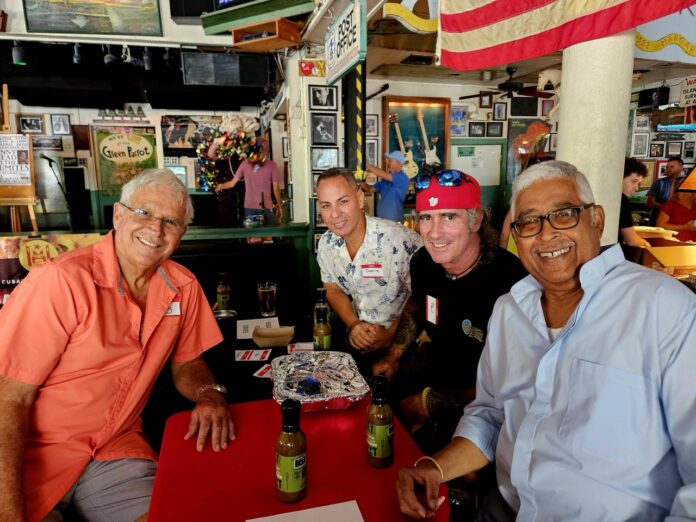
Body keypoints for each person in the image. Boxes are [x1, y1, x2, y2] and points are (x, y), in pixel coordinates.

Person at [395, 160, 696, 521]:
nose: (546, 234)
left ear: (597, 219)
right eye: (529, 221)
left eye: (564, 214)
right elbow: (490, 416)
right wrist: (434, 468)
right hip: (502, 508)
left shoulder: (665, 307)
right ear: (515, 232)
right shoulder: (510, 311)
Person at [0, 169, 234, 521]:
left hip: (113, 449)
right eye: (144, 213)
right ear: (118, 214)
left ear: (182, 234)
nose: (155, 229)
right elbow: (8, 399)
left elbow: (187, 362)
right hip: (33, 457)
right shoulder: (61, 281)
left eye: (170, 221)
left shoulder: (183, 286)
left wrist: (208, 392)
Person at [315, 168, 423, 361]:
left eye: (343, 201)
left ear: (359, 198)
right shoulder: (326, 244)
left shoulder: (400, 240)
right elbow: (332, 289)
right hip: (358, 340)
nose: (335, 214)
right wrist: (354, 324)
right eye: (326, 206)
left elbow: (422, 299)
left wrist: (389, 337)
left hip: (407, 346)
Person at [215, 137, 282, 225]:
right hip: (267, 207)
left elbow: (232, 184)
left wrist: (220, 186)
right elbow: (276, 189)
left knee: (252, 237)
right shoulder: (272, 165)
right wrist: (279, 206)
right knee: (268, 236)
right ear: (266, 150)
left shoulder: (245, 164)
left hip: (249, 207)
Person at [362, 151, 411, 223]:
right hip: (383, 222)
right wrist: (360, 182)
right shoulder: (385, 181)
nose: (387, 163)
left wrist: (367, 165)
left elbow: (382, 174)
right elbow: (369, 189)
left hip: (395, 223)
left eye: (390, 160)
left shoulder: (403, 178)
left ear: (398, 162)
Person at [618, 158, 650, 248]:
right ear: (620, 177)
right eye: (634, 181)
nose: (636, 188)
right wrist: (645, 243)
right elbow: (631, 240)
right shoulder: (622, 200)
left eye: (638, 183)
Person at [646, 156, 685, 225]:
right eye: (667, 167)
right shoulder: (659, 183)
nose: (668, 169)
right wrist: (666, 209)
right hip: (658, 223)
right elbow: (649, 202)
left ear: (681, 167)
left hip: (680, 224)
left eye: (672, 167)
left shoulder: (688, 184)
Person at [656, 177, 696, 242]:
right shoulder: (670, 205)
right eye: (681, 189)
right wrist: (684, 227)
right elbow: (660, 225)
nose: (685, 192)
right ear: (676, 191)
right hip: (675, 243)